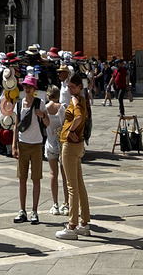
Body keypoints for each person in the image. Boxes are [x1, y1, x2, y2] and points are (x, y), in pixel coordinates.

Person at [55, 71, 90, 240]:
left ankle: (72, 225)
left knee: (71, 186)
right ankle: (84, 222)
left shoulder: (76, 100)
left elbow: (77, 117)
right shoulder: (83, 100)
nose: (70, 90)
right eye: (68, 87)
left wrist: (69, 131)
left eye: (72, 87)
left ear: (79, 87)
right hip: (78, 146)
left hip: (70, 146)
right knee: (79, 184)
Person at [13, 74, 48, 223]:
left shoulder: (40, 103)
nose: (27, 88)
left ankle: (34, 210)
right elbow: (16, 126)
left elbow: (47, 123)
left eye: (30, 86)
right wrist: (14, 145)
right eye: (25, 86)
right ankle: (22, 210)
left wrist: (42, 115)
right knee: (22, 179)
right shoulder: (19, 104)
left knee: (36, 179)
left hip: (36, 144)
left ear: (34, 89)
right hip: (22, 143)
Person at [44, 85, 68, 216]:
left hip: (50, 144)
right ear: (58, 95)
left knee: (53, 174)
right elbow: (65, 125)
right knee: (65, 175)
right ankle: (66, 203)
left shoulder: (45, 109)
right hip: (62, 145)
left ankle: (55, 204)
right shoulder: (62, 108)